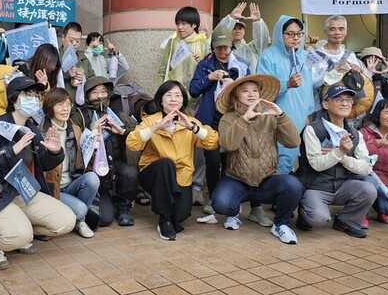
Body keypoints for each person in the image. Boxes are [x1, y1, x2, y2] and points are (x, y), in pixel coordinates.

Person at [0, 76, 76, 269]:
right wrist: (11, 150)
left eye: (36, 95)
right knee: (20, 234)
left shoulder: (31, 128)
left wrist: (55, 152)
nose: (34, 99)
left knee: (66, 221)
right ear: (13, 99)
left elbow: (44, 162)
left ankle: (20, 229)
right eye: (27, 94)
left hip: (22, 193)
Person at [211, 74, 304, 244]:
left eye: (255, 90)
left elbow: (294, 142)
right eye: (245, 91)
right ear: (236, 96)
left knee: (293, 185)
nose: (251, 94)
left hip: (266, 180)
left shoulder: (269, 117)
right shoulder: (228, 119)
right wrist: (244, 119)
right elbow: (228, 145)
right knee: (221, 203)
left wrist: (281, 115)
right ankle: (233, 213)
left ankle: (280, 225)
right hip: (236, 179)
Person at [126, 81, 218, 240]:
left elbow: (212, 142)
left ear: (183, 100)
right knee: (166, 164)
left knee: (181, 216)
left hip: (181, 178)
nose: (173, 99)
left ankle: (170, 214)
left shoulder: (190, 121)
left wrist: (192, 128)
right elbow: (132, 144)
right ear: (160, 100)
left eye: (177, 95)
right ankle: (164, 220)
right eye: (168, 95)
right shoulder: (151, 120)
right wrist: (156, 127)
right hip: (153, 174)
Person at [296, 85, 377, 238]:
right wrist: (339, 151)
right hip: (316, 187)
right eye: (338, 99)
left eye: (348, 100)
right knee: (319, 218)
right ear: (326, 104)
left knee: (368, 189)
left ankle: (346, 221)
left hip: (342, 186)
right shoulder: (313, 129)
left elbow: (366, 167)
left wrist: (342, 156)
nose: (344, 103)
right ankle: (304, 213)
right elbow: (317, 164)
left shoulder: (355, 134)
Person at [189, 25, 249, 222]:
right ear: (213, 47)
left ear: (232, 46)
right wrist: (209, 78)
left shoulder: (241, 65)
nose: (222, 51)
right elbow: (193, 90)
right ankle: (214, 199)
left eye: (226, 47)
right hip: (210, 120)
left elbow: (249, 88)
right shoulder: (205, 65)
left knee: (230, 162)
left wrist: (234, 83)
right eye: (218, 47)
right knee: (212, 162)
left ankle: (229, 199)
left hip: (233, 119)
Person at [69, 76, 139, 227]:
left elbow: (136, 131)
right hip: (91, 171)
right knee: (105, 219)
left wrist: (121, 131)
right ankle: (101, 200)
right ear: (87, 95)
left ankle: (124, 208)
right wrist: (89, 132)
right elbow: (71, 140)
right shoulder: (79, 115)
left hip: (114, 166)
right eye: (95, 92)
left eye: (103, 92)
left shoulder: (115, 114)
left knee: (130, 172)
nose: (100, 96)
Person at [257, 15, 314, 175]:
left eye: (299, 34)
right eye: (290, 34)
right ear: (279, 34)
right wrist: (286, 84)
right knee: (277, 157)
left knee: (294, 158)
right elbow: (263, 89)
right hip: (277, 117)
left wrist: (308, 113)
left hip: (301, 118)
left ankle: (285, 192)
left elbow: (308, 87)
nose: (295, 38)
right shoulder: (269, 56)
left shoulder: (304, 56)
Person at [41, 88, 99, 238]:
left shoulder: (74, 128)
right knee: (80, 209)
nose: (65, 108)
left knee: (92, 178)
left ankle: (79, 220)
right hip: (53, 188)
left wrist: (93, 145)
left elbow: (85, 160)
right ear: (50, 107)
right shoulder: (42, 132)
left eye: (68, 104)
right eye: (60, 104)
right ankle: (80, 218)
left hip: (71, 182)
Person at [155, 6, 210, 111]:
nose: (180, 27)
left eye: (184, 24)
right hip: (174, 96)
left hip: (196, 96)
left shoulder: (203, 42)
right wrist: (160, 92)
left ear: (194, 25)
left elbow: (211, 69)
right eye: (178, 24)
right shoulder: (172, 43)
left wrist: (203, 62)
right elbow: (162, 69)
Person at [214, 2, 270, 73]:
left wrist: (258, 22)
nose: (237, 31)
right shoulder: (223, 50)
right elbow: (218, 36)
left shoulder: (251, 48)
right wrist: (230, 18)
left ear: (244, 31)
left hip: (250, 82)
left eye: (240, 29)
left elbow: (262, 41)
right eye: (234, 28)